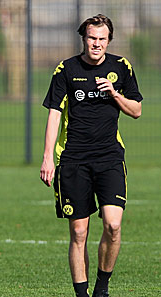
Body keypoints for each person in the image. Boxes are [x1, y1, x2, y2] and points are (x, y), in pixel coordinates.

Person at [40, 14, 142, 297]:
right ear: (83, 39)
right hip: (73, 160)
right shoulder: (65, 70)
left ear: (109, 40)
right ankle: (82, 294)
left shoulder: (121, 67)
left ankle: (102, 287)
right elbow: (54, 115)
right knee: (79, 233)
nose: (96, 44)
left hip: (109, 158)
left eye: (102, 39)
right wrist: (48, 157)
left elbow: (137, 111)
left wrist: (115, 95)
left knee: (113, 224)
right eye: (91, 38)